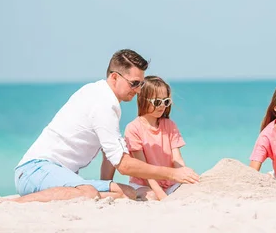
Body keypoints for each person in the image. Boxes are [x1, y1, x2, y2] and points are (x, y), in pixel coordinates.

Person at [12, 49, 199, 203]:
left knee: (129, 192)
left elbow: (109, 156)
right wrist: (173, 174)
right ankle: (11, 204)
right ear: (115, 77)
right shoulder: (103, 104)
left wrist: (107, 184)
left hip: (51, 174)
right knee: (88, 192)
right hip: (35, 170)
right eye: (134, 84)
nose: (138, 90)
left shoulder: (100, 95)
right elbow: (124, 165)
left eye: (141, 84)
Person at [119, 76, 190, 200]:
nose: (162, 106)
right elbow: (143, 169)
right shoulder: (133, 128)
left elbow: (177, 159)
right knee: (151, 196)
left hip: (170, 182)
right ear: (143, 100)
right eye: (157, 102)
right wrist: (161, 194)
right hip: (143, 183)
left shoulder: (169, 125)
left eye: (166, 101)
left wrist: (184, 176)